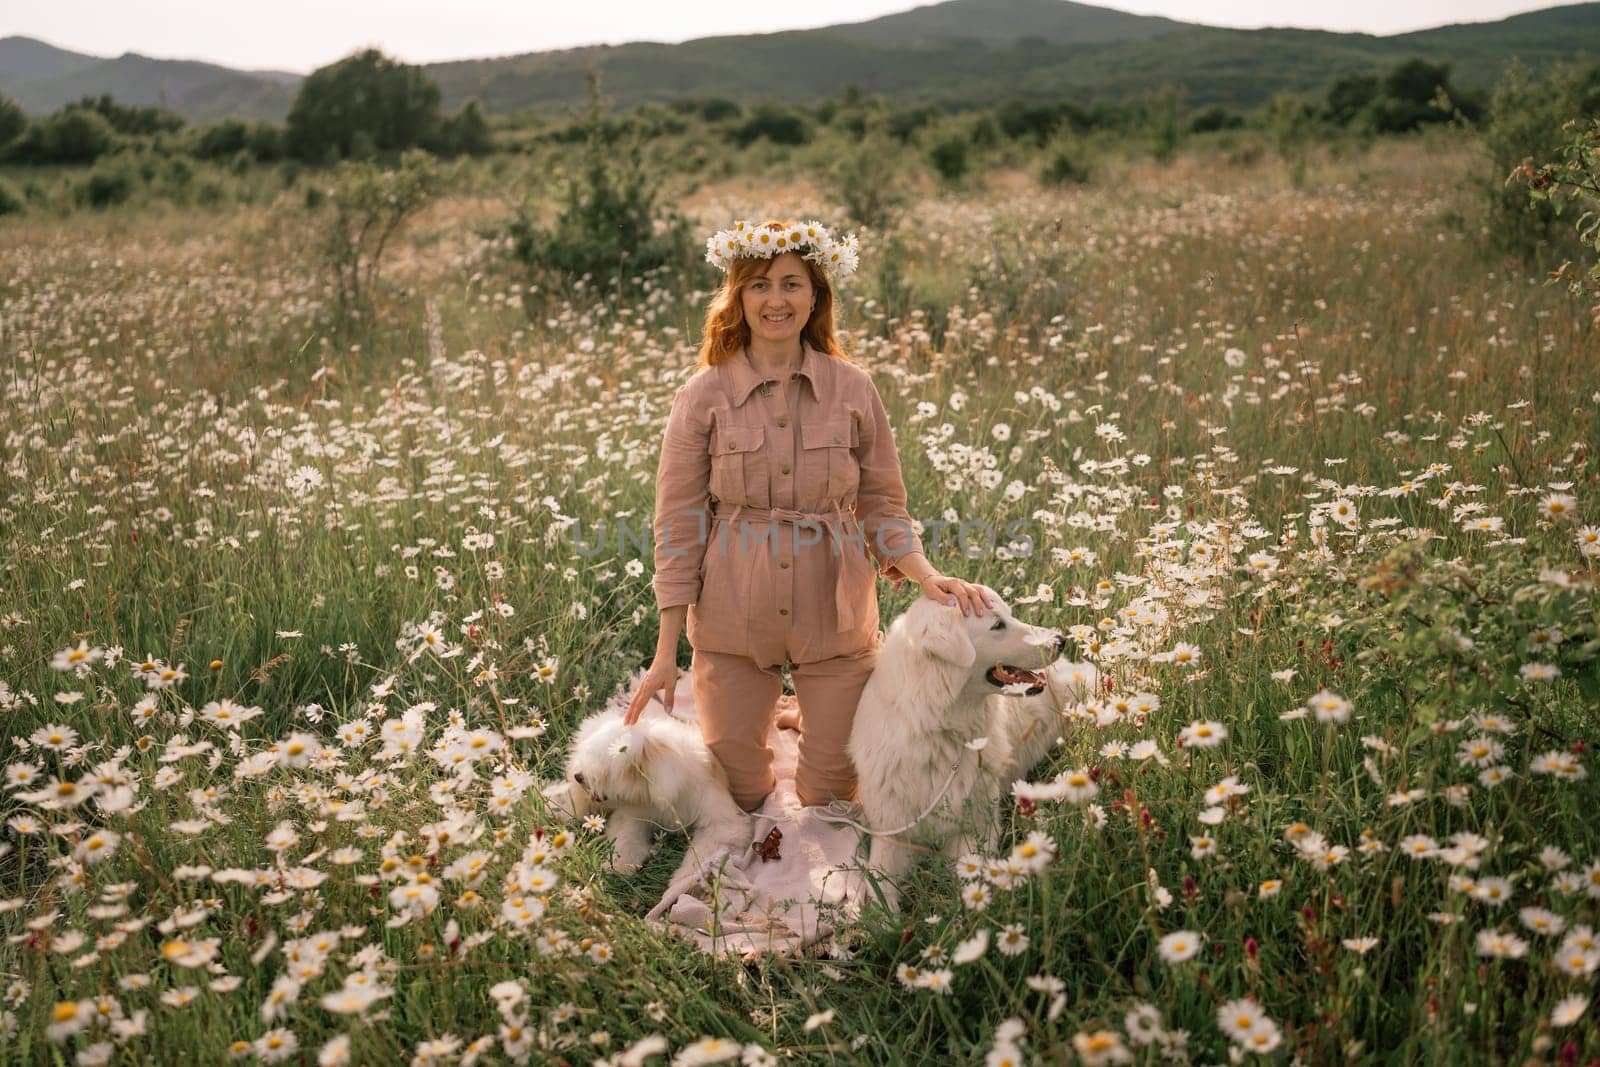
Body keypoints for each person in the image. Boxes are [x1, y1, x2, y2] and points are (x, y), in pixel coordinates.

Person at [623, 219, 993, 812]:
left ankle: (802, 714)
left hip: (836, 614)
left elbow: (881, 503)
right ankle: (775, 711)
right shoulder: (703, 395)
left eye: (793, 284)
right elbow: (678, 525)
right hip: (732, 619)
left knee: (830, 794)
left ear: (816, 295)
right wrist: (667, 655)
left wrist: (926, 576)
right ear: (737, 297)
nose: (777, 300)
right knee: (741, 796)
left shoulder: (852, 388)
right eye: (760, 285)